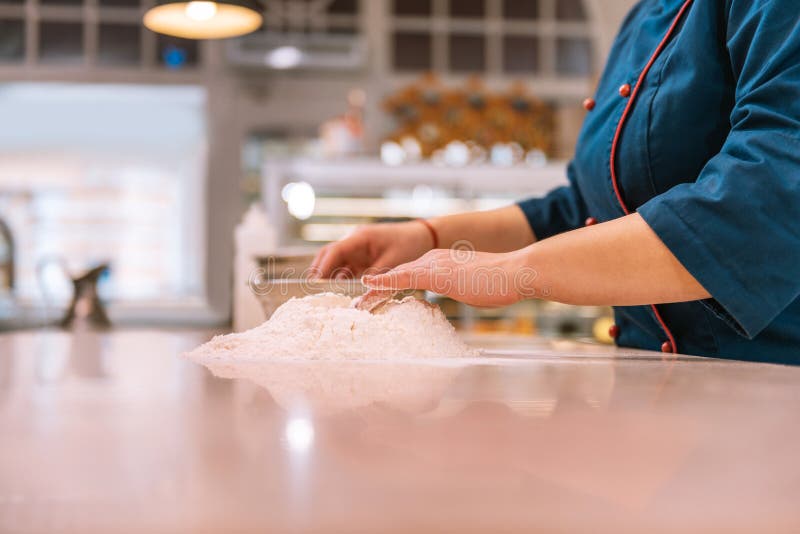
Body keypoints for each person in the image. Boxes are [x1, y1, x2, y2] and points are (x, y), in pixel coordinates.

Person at [310, 0, 800, 365]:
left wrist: (516, 273)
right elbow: (583, 208)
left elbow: (768, 197)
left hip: (770, 391)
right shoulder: (643, 17)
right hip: (658, 387)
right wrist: (426, 237)